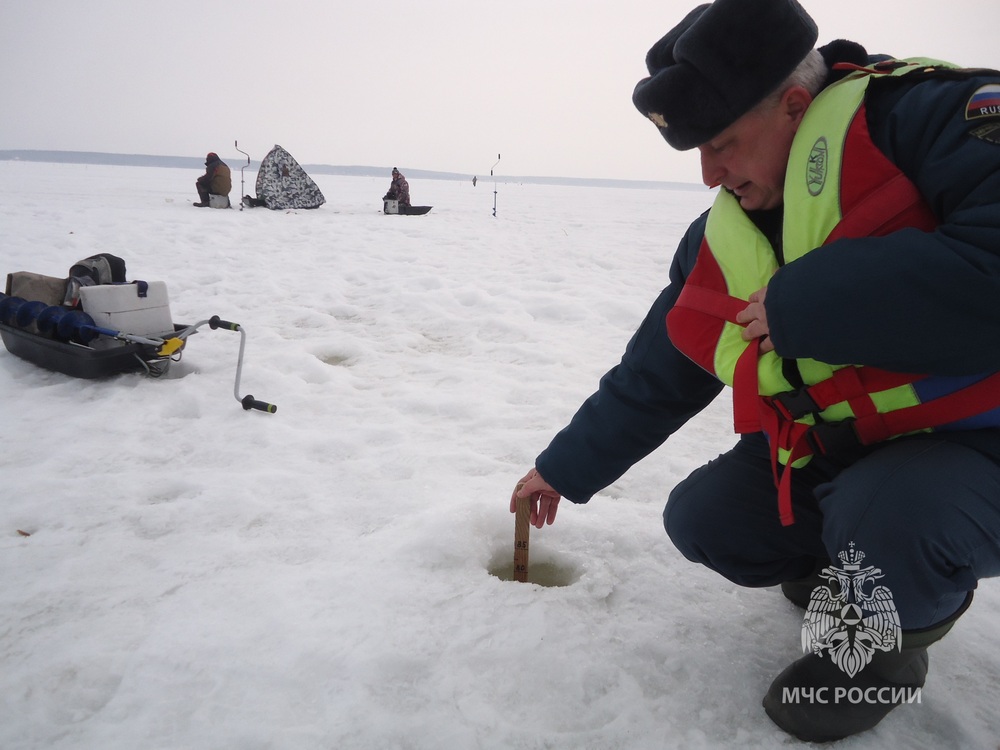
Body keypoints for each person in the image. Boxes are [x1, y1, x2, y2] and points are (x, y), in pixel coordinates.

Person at [511, 0, 1000, 742]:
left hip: (979, 450)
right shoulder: (724, 231)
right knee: (707, 520)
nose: (710, 174)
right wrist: (560, 468)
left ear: (795, 106)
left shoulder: (934, 119)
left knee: (888, 515)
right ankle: (851, 567)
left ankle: (880, 647)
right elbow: (659, 370)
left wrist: (807, 304)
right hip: (850, 448)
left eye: (724, 145)